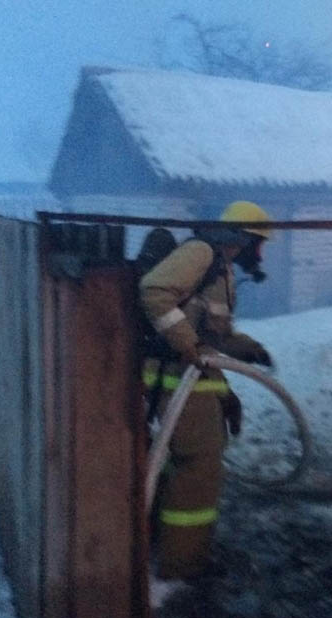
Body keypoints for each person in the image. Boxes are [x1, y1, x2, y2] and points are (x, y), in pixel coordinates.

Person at [139, 200, 274, 580]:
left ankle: (162, 547)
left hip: (192, 376)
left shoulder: (221, 269)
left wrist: (248, 349)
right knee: (199, 466)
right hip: (171, 377)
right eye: (259, 244)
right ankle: (181, 566)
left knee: (184, 463)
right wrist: (191, 346)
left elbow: (214, 335)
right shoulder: (200, 253)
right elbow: (154, 291)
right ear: (243, 239)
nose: (260, 254)